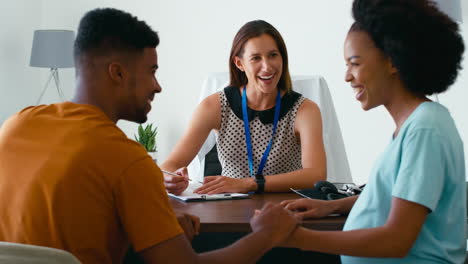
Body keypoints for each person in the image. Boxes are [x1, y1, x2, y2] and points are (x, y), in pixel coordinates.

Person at [0, 8, 298, 264]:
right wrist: (267, 235)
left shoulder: (16, 125)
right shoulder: (127, 159)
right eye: (151, 71)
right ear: (117, 73)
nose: (158, 86)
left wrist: (155, 215)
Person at [280, 0, 466, 263]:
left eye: (354, 63)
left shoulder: (425, 129)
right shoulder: (416, 124)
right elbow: (394, 197)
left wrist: (293, 237)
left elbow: (396, 240)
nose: (347, 76)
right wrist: (330, 206)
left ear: (392, 61)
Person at [161, 20, 326, 195]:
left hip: (284, 209)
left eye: (273, 55)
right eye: (256, 58)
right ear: (239, 63)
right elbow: (169, 165)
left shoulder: (305, 110)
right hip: (229, 207)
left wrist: (249, 183)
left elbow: (315, 175)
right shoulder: (214, 106)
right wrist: (171, 178)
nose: (267, 66)